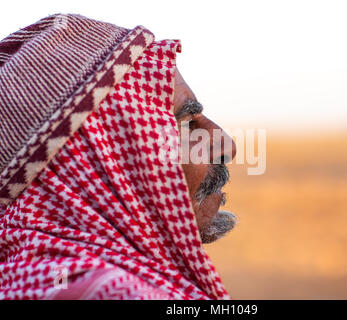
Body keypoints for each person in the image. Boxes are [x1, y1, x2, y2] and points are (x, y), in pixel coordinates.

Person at [0, 13, 237, 300]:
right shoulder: (113, 293)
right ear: (95, 165)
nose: (226, 145)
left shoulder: (26, 276)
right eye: (186, 123)